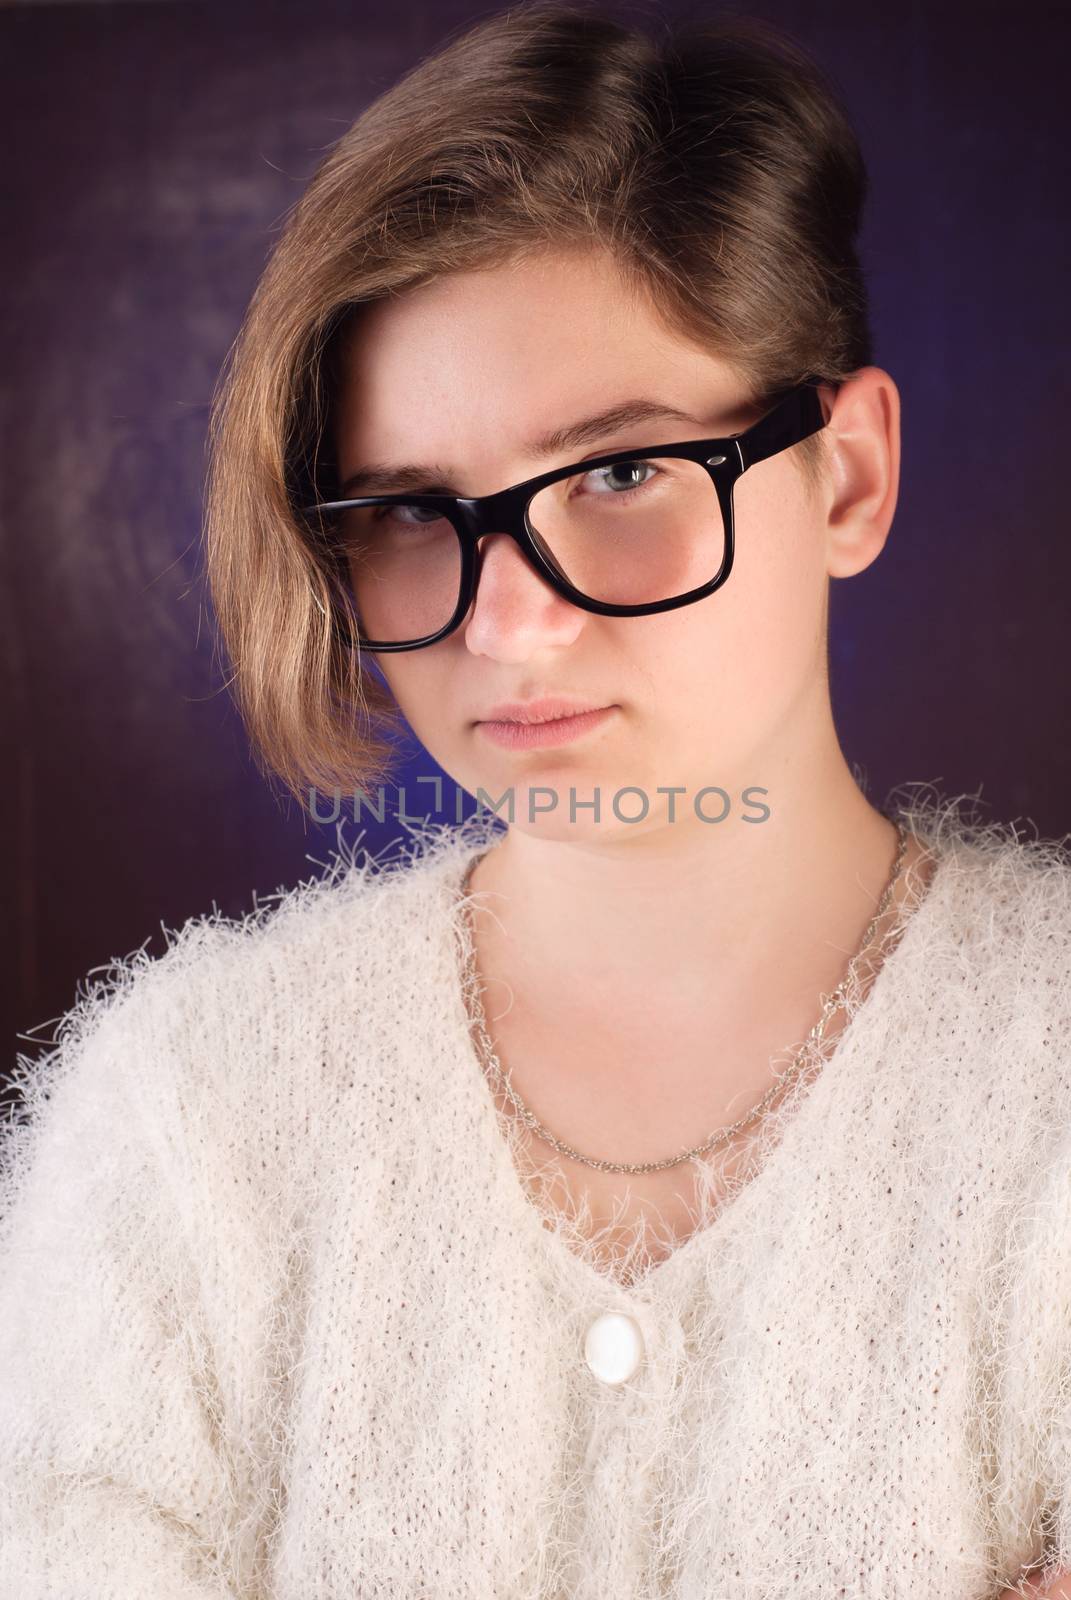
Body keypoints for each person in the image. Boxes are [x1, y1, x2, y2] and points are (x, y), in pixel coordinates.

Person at [2, 4, 1069, 1597]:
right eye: (414, 514)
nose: (507, 626)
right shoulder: (183, 1125)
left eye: (623, 473)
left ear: (845, 477)